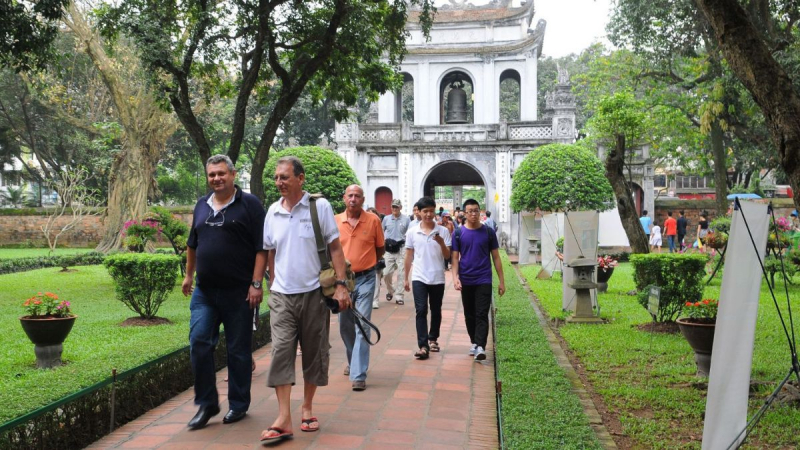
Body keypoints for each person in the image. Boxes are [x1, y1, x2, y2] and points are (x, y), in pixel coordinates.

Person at [260, 156, 351, 442]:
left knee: (314, 351)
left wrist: (341, 285)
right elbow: (270, 250)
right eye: (277, 177)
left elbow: (335, 248)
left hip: (314, 293)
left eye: (284, 177)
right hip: (282, 296)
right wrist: (273, 283)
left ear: (301, 178)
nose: (279, 182)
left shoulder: (319, 206)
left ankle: (308, 407)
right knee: (281, 351)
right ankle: (284, 416)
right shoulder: (272, 212)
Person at [182, 154, 267, 430]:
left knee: (238, 351)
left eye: (221, 173)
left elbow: (261, 247)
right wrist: (188, 276)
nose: (216, 179)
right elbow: (192, 244)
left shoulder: (250, 205)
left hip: (239, 293)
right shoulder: (201, 205)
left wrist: (256, 284)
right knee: (198, 343)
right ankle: (207, 404)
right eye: (211, 175)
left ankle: (239, 405)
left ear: (232, 174)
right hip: (205, 292)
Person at [336, 185, 384, 391]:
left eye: (357, 196)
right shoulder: (335, 220)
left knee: (363, 324)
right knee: (344, 325)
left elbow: (380, 248)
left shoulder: (373, 220)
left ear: (363, 200)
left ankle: (358, 373)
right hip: (342, 281)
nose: (353, 199)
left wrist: (367, 263)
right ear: (344, 198)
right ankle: (353, 359)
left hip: (366, 278)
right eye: (350, 196)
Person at [451, 198, 505, 362]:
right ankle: (474, 342)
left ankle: (480, 346)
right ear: (464, 214)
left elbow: (496, 257)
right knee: (470, 314)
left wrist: (502, 281)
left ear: (480, 212)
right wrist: (455, 278)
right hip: (466, 279)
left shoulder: (488, 232)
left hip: (484, 278)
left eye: (476, 210)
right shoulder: (459, 233)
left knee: (482, 313)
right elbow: (454, 258)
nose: (473, 214)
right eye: (470, 211)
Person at [404, 196, 452, 360]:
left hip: (437, 276)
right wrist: (405, 278)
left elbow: (447, 256)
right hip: (419, 277)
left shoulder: (443, 231)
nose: (428, 214)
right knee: (421, 309)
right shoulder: (412, 232)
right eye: (425, 211)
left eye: (431, 211)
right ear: (419, 212)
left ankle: (433, 338)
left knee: (436, 309)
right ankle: (423, 345)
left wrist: (440, 242)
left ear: (435, 211)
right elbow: (409, 256)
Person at [382, 199, 411, 305]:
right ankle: (391, 290)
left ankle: (399, 296)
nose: (395, 209)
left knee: (401, 272)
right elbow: (381, 232)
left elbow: (410, 233)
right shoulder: (386, 219)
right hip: (389, 249)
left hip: (401, 248)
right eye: (393, 207)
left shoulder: (406, 219)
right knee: (386, 273)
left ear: (400, 208)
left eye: (397, 207)